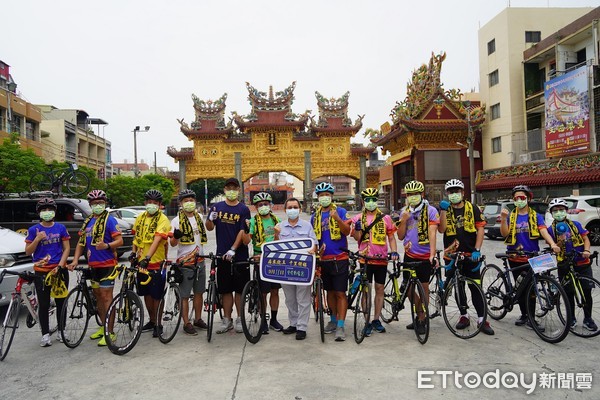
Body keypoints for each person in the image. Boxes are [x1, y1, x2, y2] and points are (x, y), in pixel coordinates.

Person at [499, 185, 560, 329]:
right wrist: (503, 219)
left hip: (533, 257)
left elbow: (543, 230)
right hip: (515, 257)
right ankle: (525, 315)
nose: (519, 200)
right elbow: (504, 234)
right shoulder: (511, 216)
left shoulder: (535, 216)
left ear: (528, 198)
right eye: (516, 198)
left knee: (533, 289)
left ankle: (531, 318)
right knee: (520, 289)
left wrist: (552, 244)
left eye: (522, 198)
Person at [67, 190, 123, 346]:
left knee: (106, 298)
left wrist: (107, 245)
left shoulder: (110, 220)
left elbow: (119, 240)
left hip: (107, 265)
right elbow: (81, 242)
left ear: (105, 203)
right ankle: (103, 327)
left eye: (100, 203)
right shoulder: (88, 221)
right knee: (98, 297)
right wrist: (75, 260)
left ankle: (110, 332)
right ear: (90, 205)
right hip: (93, 266)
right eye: (94, 203)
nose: (98, 205)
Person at [437, 179, 493, 335]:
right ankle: (464, 315)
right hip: (451, 255)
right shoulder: (445, 209)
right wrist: (442, 211)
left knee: (475, 286)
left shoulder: (473, 208)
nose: (454, 194)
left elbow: (480, 229)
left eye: (457, 191)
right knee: (458, 286)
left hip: (470, 255)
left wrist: (477, 249)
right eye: (451, 192)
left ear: (462, 193)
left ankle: (482, 319)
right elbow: (441, 230)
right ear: (447, 194)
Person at [350, 188, 398, 337]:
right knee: (366, 291)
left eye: (373, 199)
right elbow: (357, 238)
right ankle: (366, 320)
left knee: (379, 289)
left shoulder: (386, 218)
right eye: (368, 200)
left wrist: (394, 251)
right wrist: (357, 229)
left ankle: (376, 319)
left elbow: (391, 237)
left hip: (381, 259)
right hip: (365, 259)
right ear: (363, 202)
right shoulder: (357, 218)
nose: (371, 202)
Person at [205, 178, 251, 334]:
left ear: (238, 190)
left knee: (239, 289)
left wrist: (233, 249)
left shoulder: (243, 209)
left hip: (239, 255)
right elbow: (210, 228)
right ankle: (227, 319)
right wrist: (211, 219)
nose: (231, 190)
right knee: (225, 289)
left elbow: (242, 231)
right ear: (225, 190)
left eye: (234, 188)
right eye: (228, 187)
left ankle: (239, 318)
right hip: (222, 255)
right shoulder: (217, 207)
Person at [24, 198, 70, 347]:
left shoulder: (61, 228)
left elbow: (66, 248)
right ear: (39, 213)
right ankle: (45, 334)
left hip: (58, 271)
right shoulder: (33, 230)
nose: (47, 212)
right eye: (43, 210)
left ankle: (62, 331)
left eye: (49, 209)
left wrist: (61, 265)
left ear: (54, 212)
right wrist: (37, 239)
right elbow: (28, 252)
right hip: (41, 272)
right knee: (43, 304)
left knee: (61, 302)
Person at [546, 198, 596, 331]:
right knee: (568, 293)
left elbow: (586, 239)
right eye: (555, 211)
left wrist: (586, 250)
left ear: (566, 211)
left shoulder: (576, 224)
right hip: (564, 264)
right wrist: (560, 241)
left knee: (586, 291)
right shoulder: (550, 230)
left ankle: (588, 318)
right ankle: (571, 318)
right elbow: (553, 247)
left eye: (561, 210)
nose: (559, 213)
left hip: (582, 262)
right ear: (552, 214)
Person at [396, 180, 439, 335]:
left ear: (421, 194)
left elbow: (433, 233)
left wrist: (432, 254)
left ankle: (421, 318)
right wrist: (403, 220)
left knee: (424, 288)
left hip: (425, 256)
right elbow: (400, 236)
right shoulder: (405, 212)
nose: (412, 197)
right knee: (408, 289)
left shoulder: (431, 211)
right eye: (409, 194)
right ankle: (419, 311)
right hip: (409, 255)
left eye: (415, 194)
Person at [311, 182, 351, 341]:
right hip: (324, 259)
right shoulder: (315, 216)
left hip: (340, 258)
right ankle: (333, 320)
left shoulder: (341, 211)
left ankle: (341, 325)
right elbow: (313, 239)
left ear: (331, 196)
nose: (324, 198)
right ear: (318, 197)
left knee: (341, 292)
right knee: (330, 292)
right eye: (321, 195)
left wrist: (337, 219)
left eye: (327, 195)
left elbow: (347, 232)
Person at [130, 189, 171, 338]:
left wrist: (147, 257)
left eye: (155, 203)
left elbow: (157, 240)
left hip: (156, 262)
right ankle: (152, 320)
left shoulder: (163, 219)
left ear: (160, 205)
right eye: (149, 202)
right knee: (146, 293)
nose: (151, 205)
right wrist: (133, 253)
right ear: (145, 203)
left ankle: (159, 324)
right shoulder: (140, 217)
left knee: (157, 296)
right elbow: (136, 239)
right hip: (141, 263)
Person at [276, 197, 318, 340]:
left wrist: (313, 249)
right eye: (290, 207)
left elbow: (314, 244)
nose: (292, 210)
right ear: (285, 210)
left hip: (302, 267)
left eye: (295, 207)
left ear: (300, 209)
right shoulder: (279, 226)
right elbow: (274, 246)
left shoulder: (307, 226)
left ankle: (302, 327)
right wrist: (276, 234)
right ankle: (293, 323)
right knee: (290, 299)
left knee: (303, 298)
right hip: (285, 268)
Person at [169, 189, 209, 335]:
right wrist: (175, 236)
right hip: (185, 262)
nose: (189, 203)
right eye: (186, 200)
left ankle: (198, 318)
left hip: (200, 260)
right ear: (181, 203)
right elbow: (172, 244)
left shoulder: (199, 216)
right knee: (184, 294)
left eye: (191, 200)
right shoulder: (176, 220)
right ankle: (186, 322)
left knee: (199, 292)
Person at [244, 192, 284, 334]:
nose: (264, 207)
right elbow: (247, 241)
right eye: (260, 205)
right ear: (255, 207)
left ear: (270, 205)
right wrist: (246, 229)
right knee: (263, 293)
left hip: (275, 259)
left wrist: (277, 234)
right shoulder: (253, 221)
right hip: (260, 259)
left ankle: (274, 319)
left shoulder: (276, 220)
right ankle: (263, 320)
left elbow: (282, 240)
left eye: (266, 204)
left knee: (275, 290)